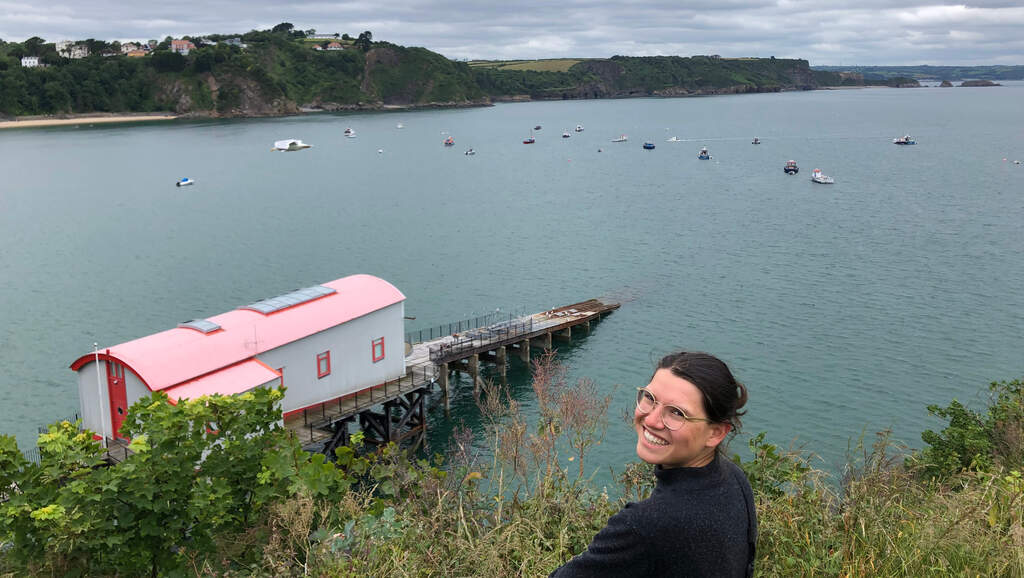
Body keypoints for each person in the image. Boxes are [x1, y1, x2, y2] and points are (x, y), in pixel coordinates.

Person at [550, 351, 757, 577]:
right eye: (650, 398)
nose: (651, 419)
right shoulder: (734, 479)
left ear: (715, 433)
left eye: (677, 413)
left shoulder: (644, 525)